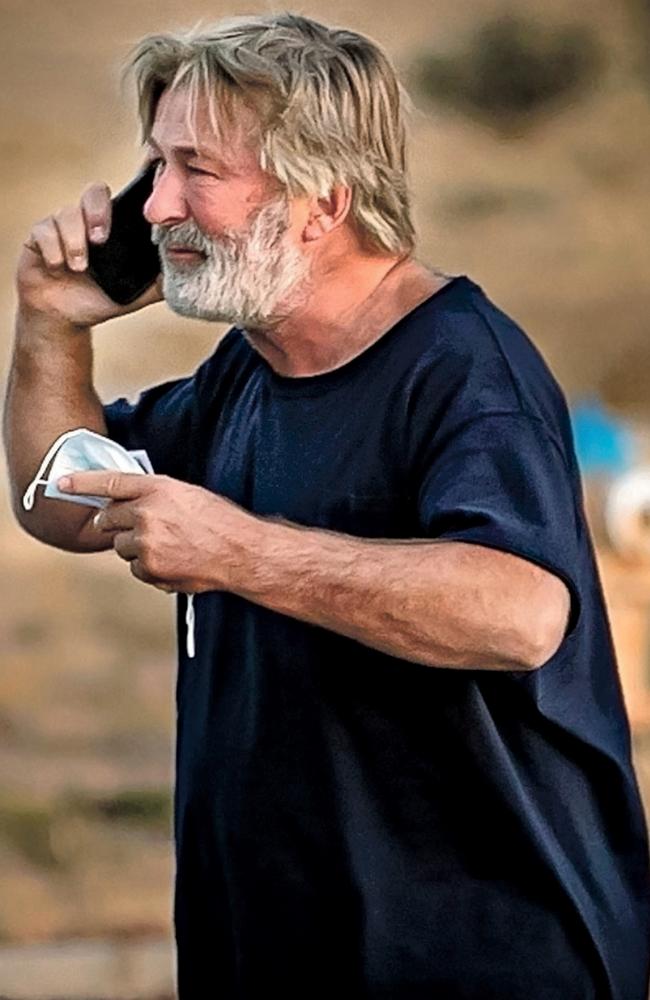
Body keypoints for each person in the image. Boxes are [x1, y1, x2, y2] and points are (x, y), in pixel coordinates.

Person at [4, 12, 650, 999]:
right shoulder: (245, 372)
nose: (156, 204)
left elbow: (522, 613)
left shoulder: (463, 371)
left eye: (196, 170)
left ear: (322, 201)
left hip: (476, 967)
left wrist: (241, 553)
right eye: (154, 166)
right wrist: (50, 323)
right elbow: (63, 499)